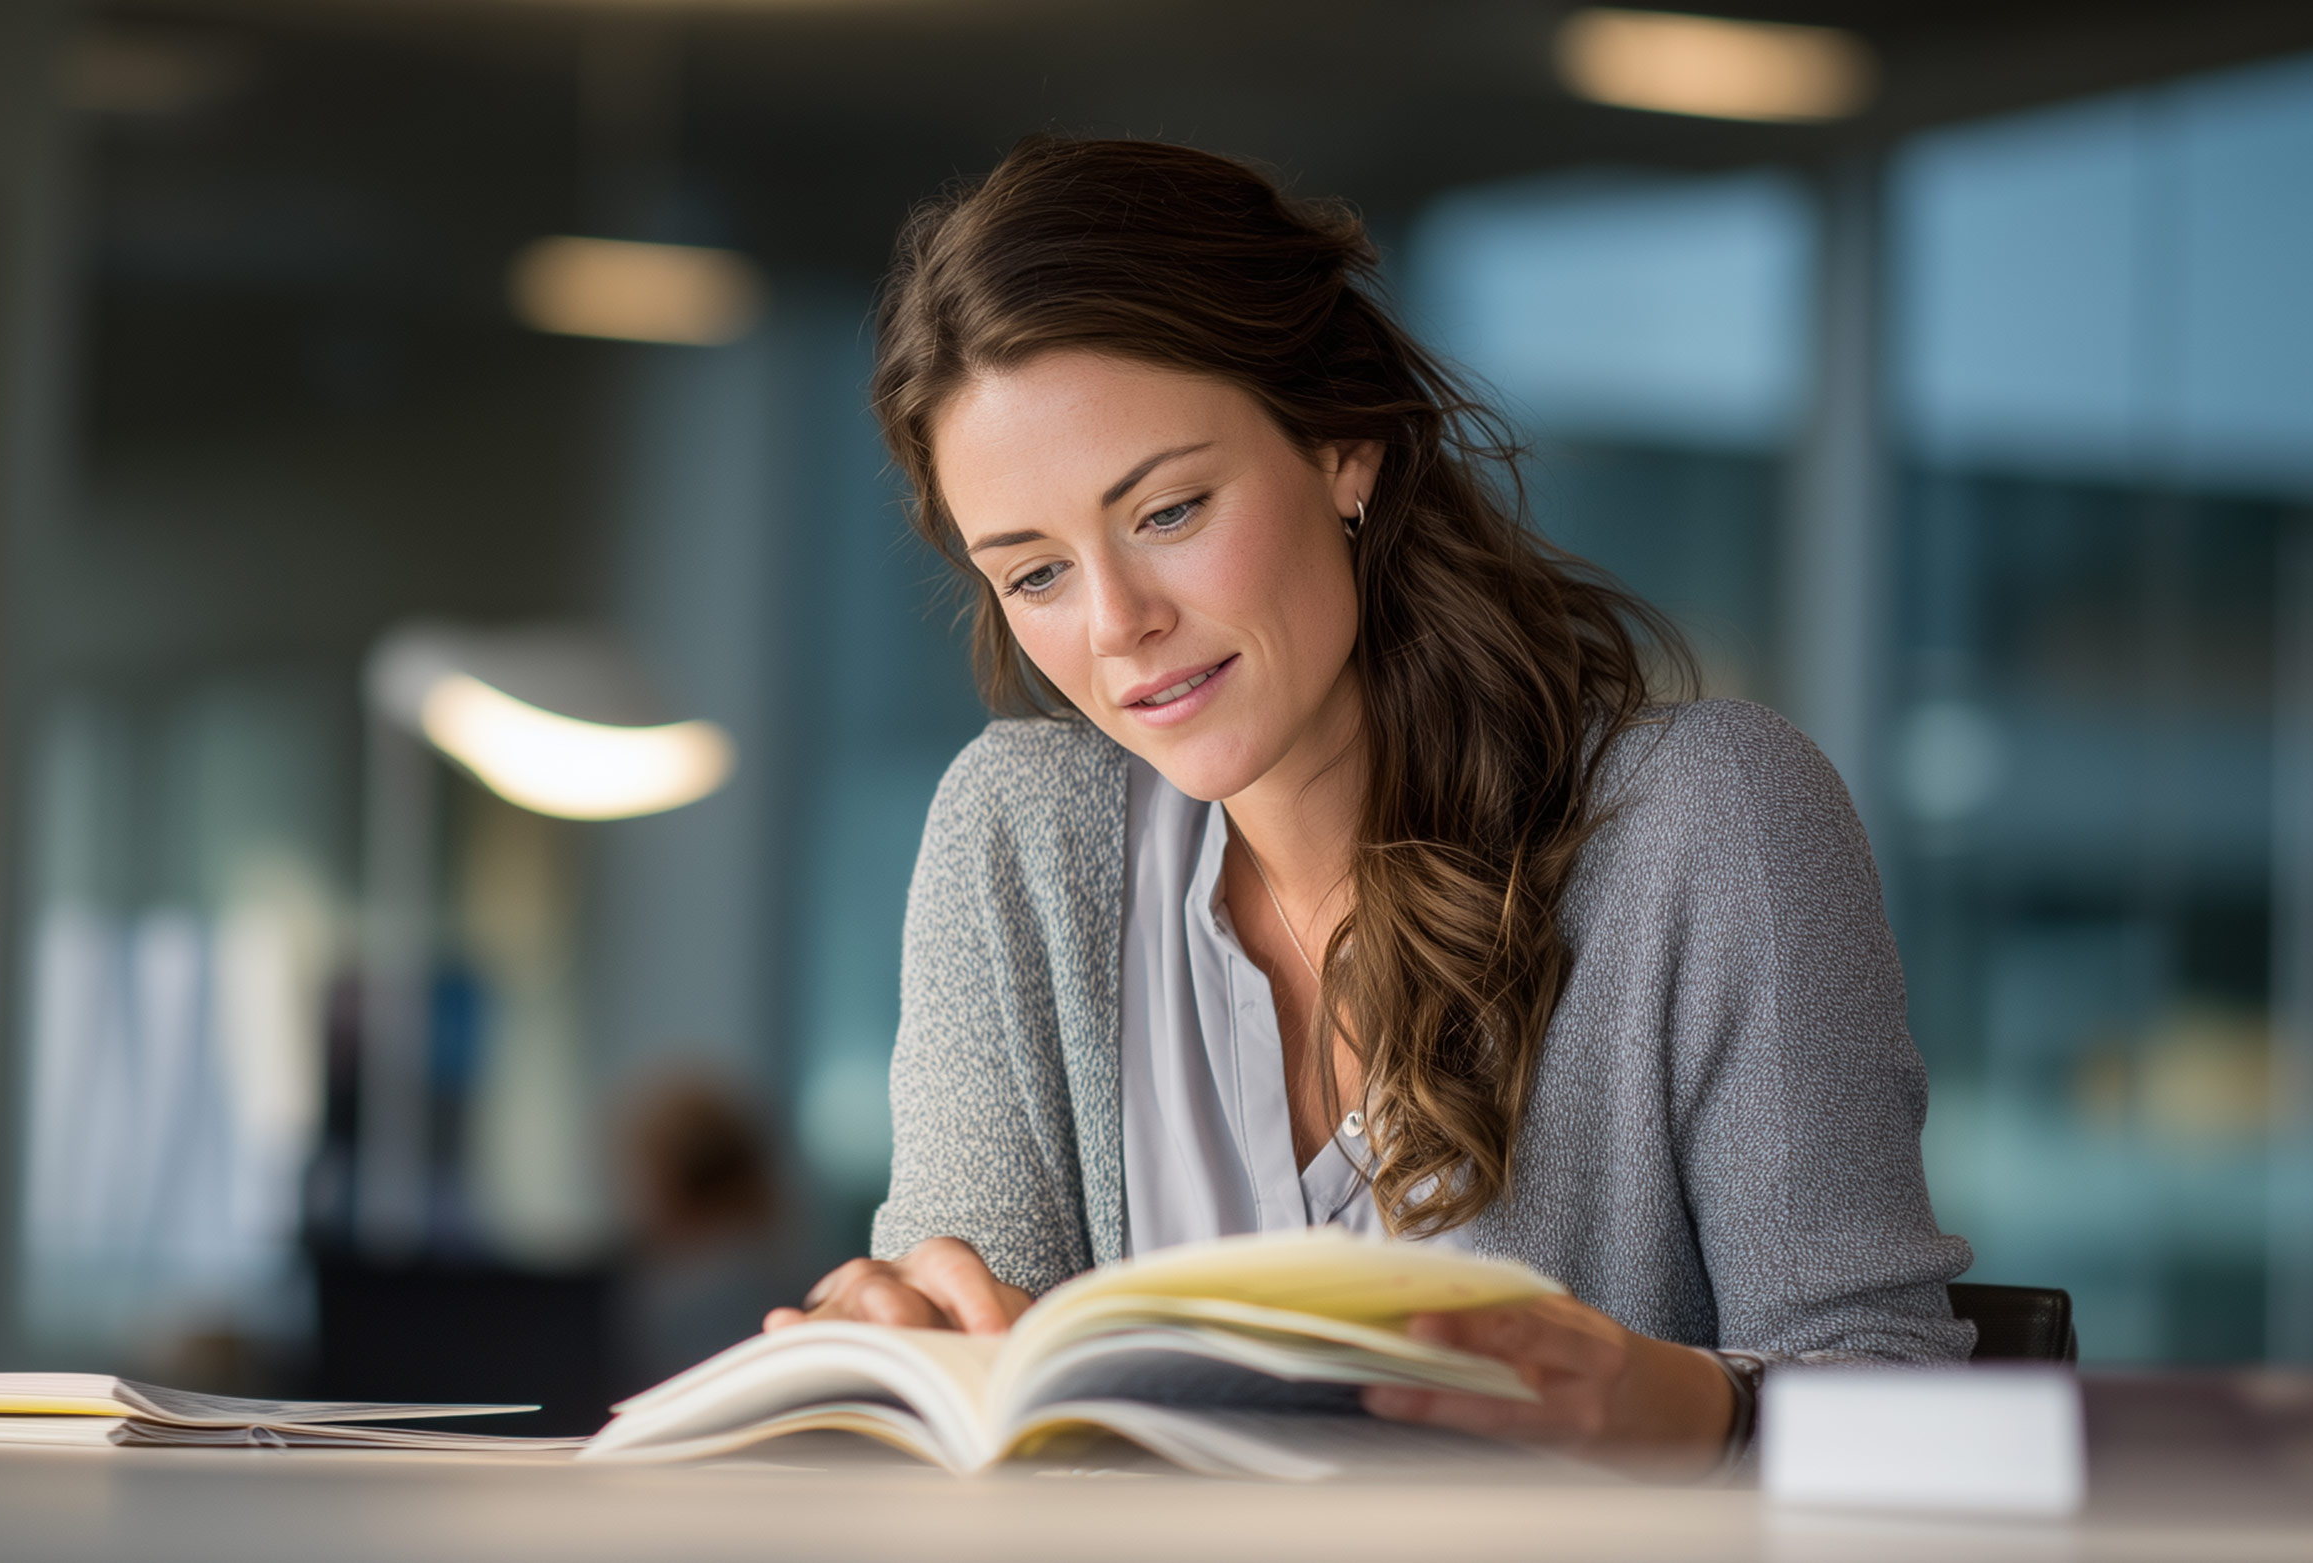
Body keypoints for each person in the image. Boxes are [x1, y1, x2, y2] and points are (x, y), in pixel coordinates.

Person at [762, 137, 1972, 1475]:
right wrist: (885, 1338)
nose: (1119, 628)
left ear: (1344, 449)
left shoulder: (1704, 821)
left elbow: (1916, 1429)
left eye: (1168, 512)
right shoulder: (1023, 843)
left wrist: (1668, 1400)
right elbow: (976, 1370)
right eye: (1034, 573)